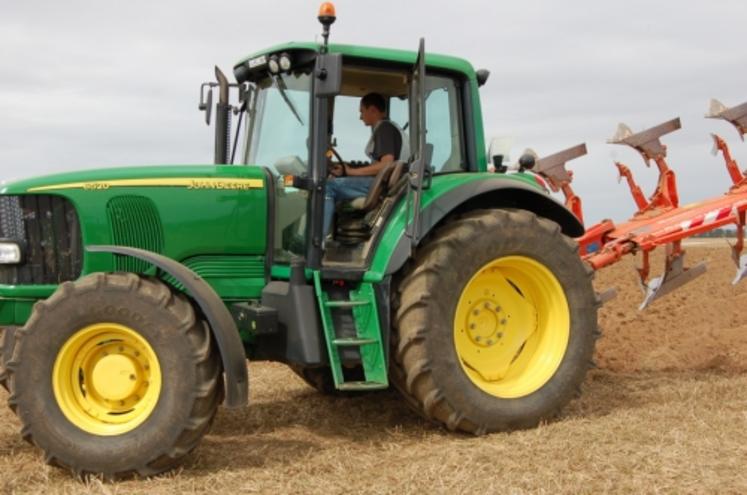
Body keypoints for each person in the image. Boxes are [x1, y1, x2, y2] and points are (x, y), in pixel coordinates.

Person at [323, 92, 408, 238]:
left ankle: (319, 240)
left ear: (373, 110)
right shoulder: (387, 128)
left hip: (381, 184)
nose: (360, 116)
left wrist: (350, 172)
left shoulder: (384, 128)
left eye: (362, 111)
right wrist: (347, 169)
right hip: (381, 182)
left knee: (327, 187)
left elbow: (386, 164)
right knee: (335, 183)